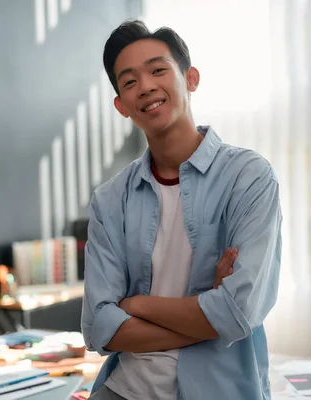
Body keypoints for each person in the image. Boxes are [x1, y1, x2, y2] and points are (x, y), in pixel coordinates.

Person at [81, 19, 282, 400]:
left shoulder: (248, 177)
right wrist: (209, 317)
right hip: (124, 390)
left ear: (190, 78)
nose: (146, 87)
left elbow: (240, 310)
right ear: (121, 106)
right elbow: (99, 328)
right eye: (129, 82)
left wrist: (136, 304)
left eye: (158, 70)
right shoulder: (110, 199)